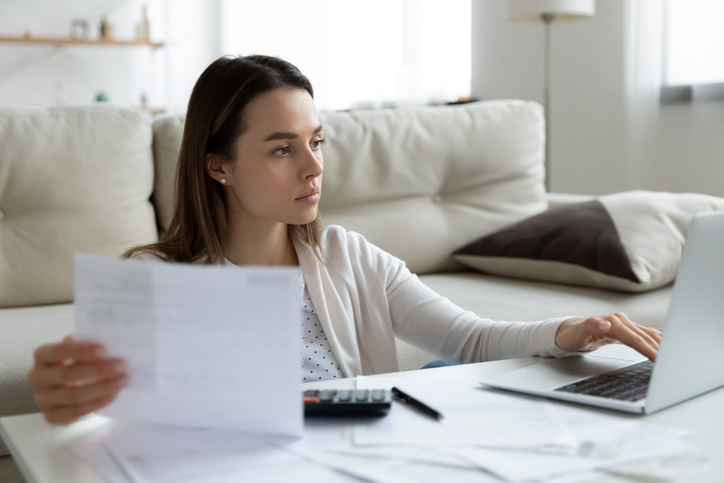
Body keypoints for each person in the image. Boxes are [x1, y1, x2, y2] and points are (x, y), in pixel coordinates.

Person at [27, 55, 662, 426]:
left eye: (317, 141)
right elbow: (113, 413)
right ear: (218, 164)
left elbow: (469, 339)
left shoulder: (350, 258)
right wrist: (71, 401)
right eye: (282, 149)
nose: (313, 167)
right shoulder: (154, 280)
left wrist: (570, 331)